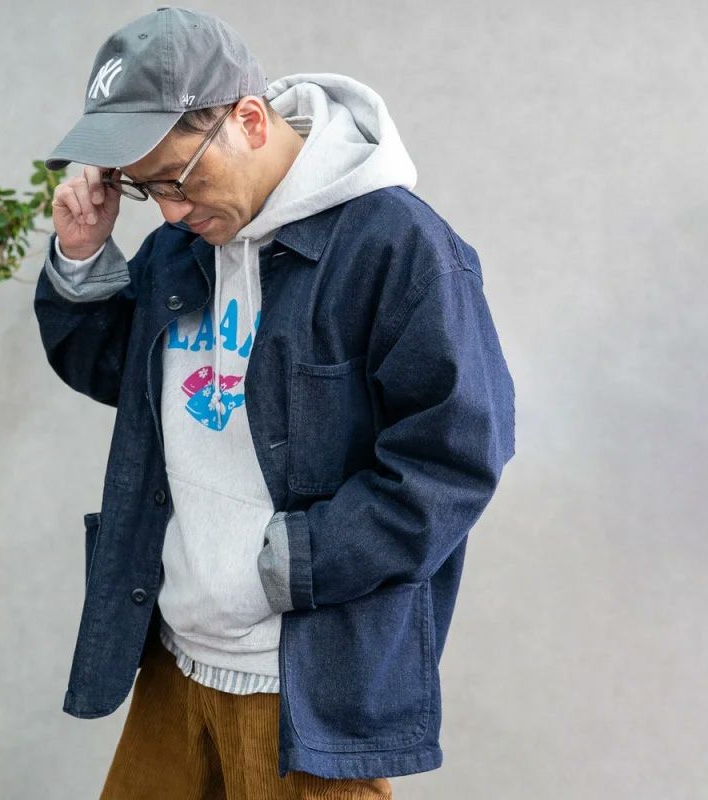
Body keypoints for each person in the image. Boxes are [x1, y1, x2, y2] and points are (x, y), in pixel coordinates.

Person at [34, 6, 516, 799]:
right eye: (147, 189)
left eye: (178, 180)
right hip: (173, 661)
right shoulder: (181, 246)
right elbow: (123, 379)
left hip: (302, 688)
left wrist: (298, 561)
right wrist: (83, 256)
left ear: (250, 121)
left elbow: (453, 459)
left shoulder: (396, 248)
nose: (170, 211)